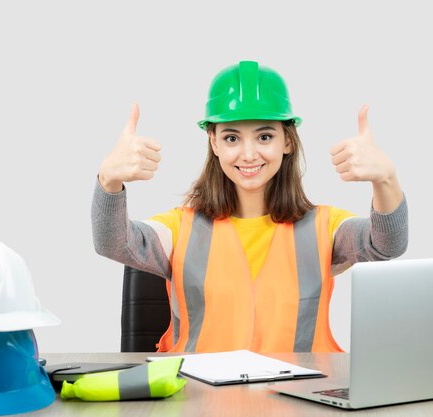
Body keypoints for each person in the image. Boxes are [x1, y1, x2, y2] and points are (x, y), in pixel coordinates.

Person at [92, 60, 408, 353]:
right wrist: (109, 179)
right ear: (213, 142)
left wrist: (386, 179)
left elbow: (386, 244)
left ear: (287, 141)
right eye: (232, 138)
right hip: (199, 401)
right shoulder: (179, 228)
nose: (248, 154)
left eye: (264, 136)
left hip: (303, 401)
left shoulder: (324, 226)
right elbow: (114, 242)